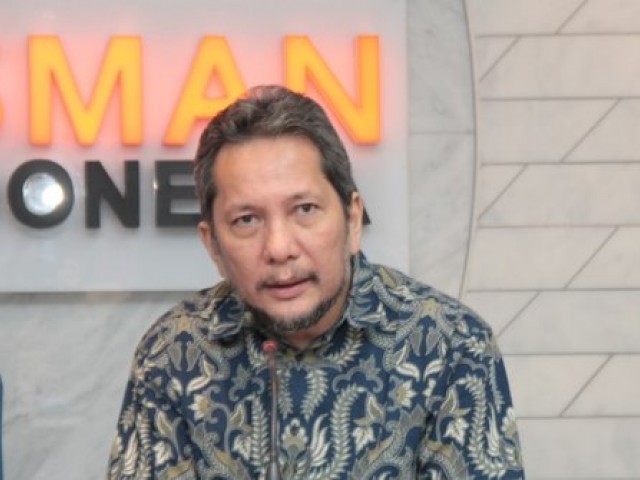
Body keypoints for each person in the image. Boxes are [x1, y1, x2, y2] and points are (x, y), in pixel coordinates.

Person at [107, 85, 525, 479]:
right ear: (212, 244)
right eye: (246, 220)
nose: (279, 248)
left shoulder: (450, 344)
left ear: (352, 219)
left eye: (305, 209)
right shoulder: (173, 353)